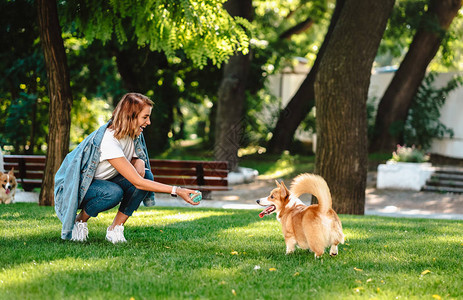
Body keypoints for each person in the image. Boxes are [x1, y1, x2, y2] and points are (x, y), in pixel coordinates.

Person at [54, 93, 200, 243]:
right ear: (130, 117)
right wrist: (178, 190)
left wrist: (138, 160)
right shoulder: (108, 140)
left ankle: (115, 229)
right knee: (113, 192)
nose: (149, 122)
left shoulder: (134, 134)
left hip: (104, 182)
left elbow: (137, 162)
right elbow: (137, 182)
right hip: (77, 189)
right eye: (145, 117)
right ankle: (79, 221)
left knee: (146, 176)